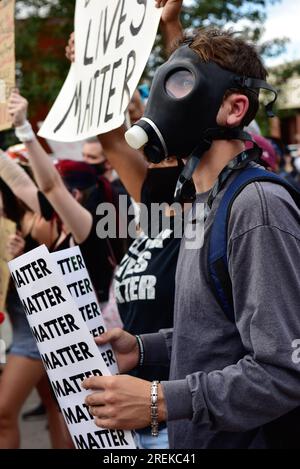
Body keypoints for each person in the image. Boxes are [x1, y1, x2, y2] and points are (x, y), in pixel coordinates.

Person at [82, 28, 300, 449]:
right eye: (163, 80)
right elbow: (219, 334)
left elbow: (285, 371)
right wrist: (142, 349)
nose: (161, 101)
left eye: (181, 82)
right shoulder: (205, 204)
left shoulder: (257, 205)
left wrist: (161, 399)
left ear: (236, 108)